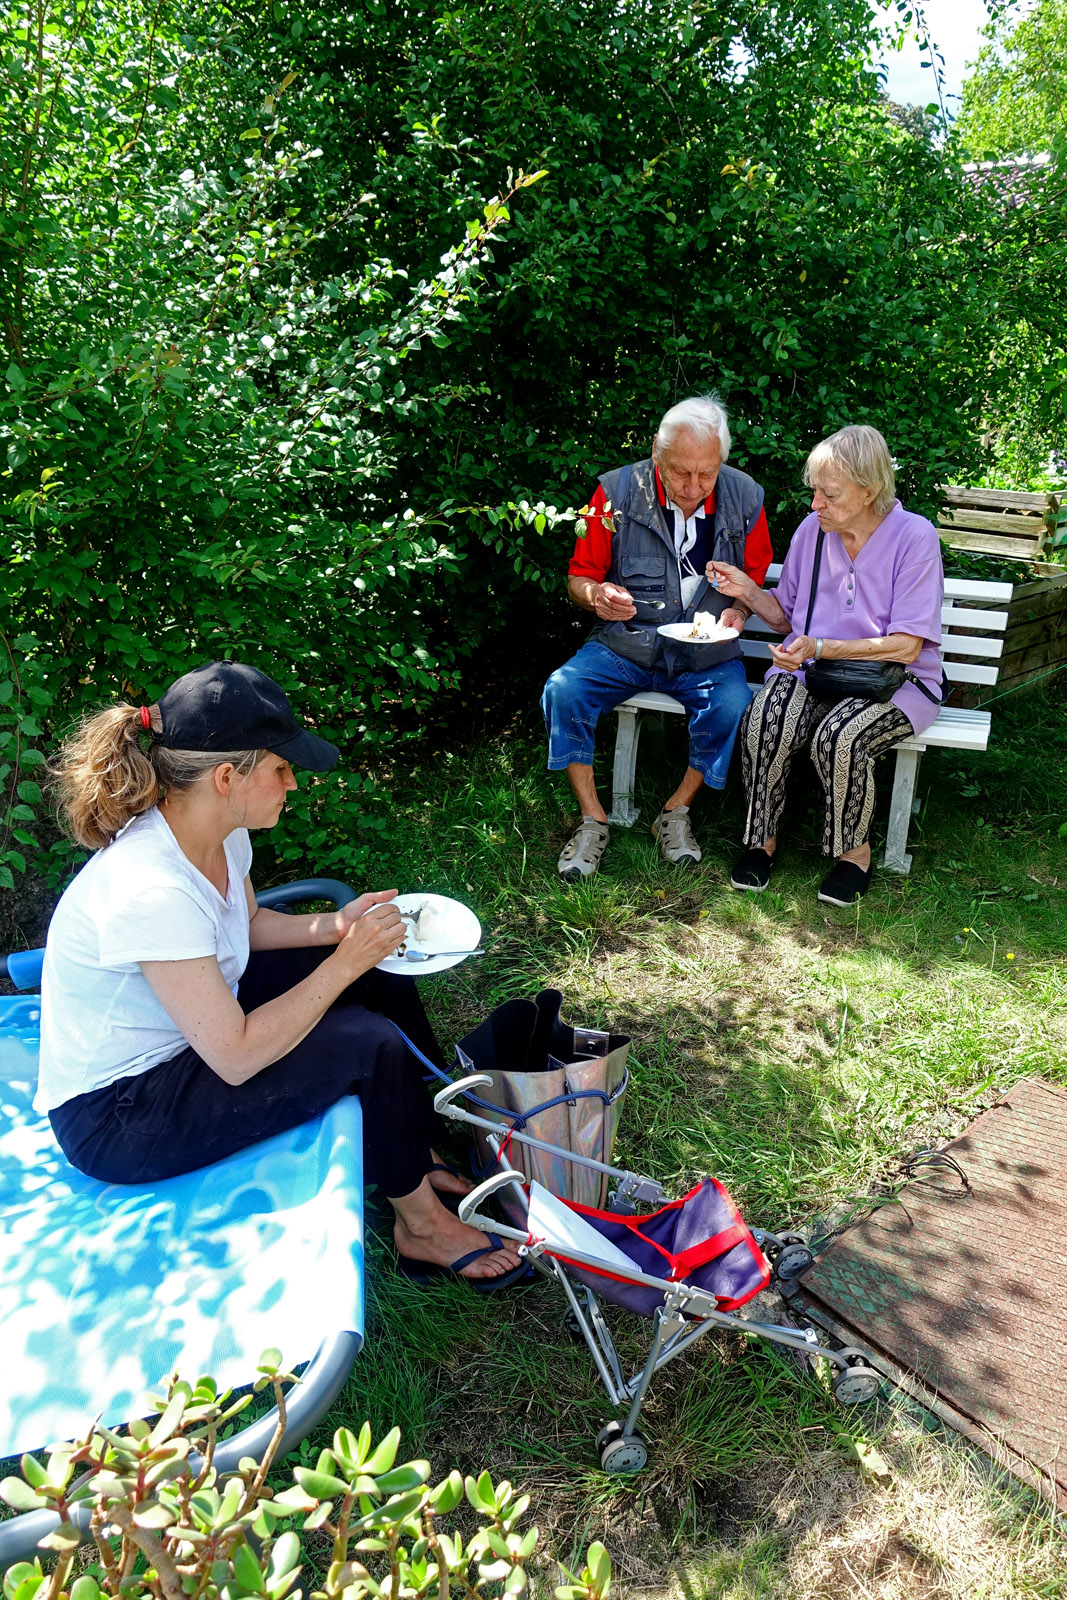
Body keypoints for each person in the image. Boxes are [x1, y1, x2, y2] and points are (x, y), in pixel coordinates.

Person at [36, 660, 524, 1289]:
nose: (292, 783)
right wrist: (343, 965)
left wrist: (340, 931)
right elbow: (236, 1056)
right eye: (280, 768)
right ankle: (419, 1227)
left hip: (190, 1036)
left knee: (381, 971)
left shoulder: (213, 828)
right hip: (120, 1114)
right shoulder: (150, 889)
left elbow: (245, 924)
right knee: (364, 1042)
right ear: (224, 777)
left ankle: (418, 1142)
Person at [710, 425, 944, 907]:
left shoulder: (914, 537)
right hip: (813, 670)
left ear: (869, 490)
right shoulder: (813, 531)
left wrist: (821, 646)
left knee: (841, 736)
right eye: (814, 490)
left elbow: (905, 646)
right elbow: (788, 618)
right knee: (766, 718)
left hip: (896, 681)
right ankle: (761, 841)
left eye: (829, 493)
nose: (816, 503)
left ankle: (853, 855)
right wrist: (748, 594)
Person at [541, 395, 772, 878]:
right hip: (626, 645)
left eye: (706, 474)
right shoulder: (613, 492)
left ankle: (676, 811)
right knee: (563, 690)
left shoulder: (746, 496)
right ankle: (591, 818)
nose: (693, 486)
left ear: (721, 462)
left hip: (706, 654)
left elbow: (754, 574)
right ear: (655, 453)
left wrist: (736, 608)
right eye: (680, 472)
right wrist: (598, 595)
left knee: (733, 705)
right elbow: (579, 576)